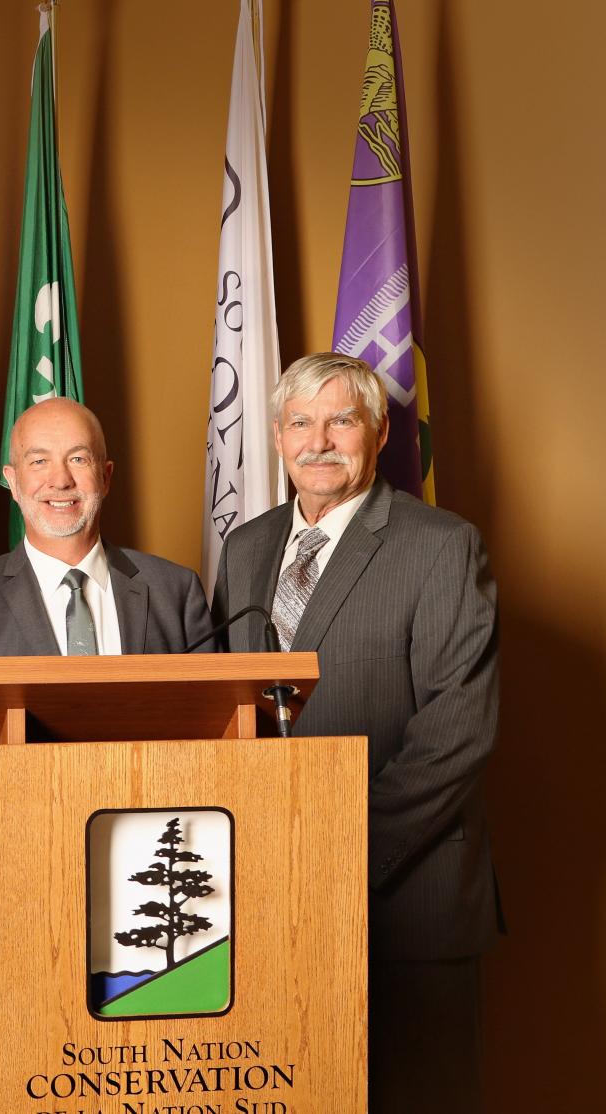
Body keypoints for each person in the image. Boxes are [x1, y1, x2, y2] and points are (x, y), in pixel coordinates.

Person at [213, 353, 500, 1114]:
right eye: (301, 423)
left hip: (406, 896)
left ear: (377, 434)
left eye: (342, 420)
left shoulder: (440, 545)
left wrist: (338, 855)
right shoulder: (245, 550)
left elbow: (457, 734)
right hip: (270, 897)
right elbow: (222, 709)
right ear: (277, 438)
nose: (320, 441)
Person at [0, 397, 213, 791]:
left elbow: (218, 728)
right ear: (13, 482)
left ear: (105, 477)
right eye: (38, 462)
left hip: (154, 833)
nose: (60, 481)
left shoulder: (175, 589)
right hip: (24, 834)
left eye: (77, 459)